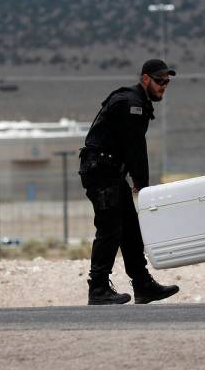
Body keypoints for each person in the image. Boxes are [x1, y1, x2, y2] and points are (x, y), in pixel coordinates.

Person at [79, 59, 180, 305]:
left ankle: (143, 285)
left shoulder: (138, 102)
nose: (163, 86)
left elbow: (130, 148)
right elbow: (135, 147)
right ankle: (98, 288)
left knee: (131, 230)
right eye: (159, 81)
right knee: (110, 228)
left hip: (111, 172)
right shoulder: (131, 104)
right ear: (145, 79)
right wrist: (141, 183)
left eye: (166, 82)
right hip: (101, 172)